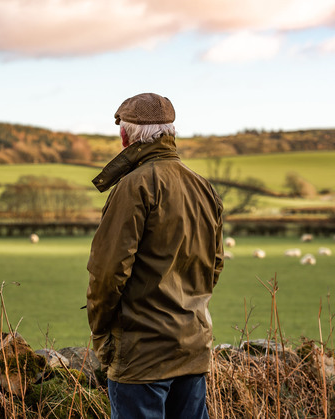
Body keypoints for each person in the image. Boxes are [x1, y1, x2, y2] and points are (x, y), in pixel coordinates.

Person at [86, 93, 224, 418]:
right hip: (192, 346)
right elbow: (214, 266)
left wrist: (102, 331)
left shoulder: (134, 186)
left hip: (142, 354)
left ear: (125, 136)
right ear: (170, 133)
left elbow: (108, 273)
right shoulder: (203, 187)